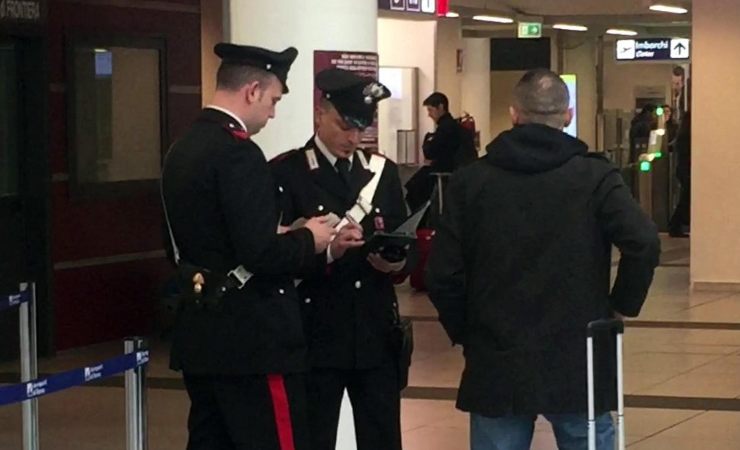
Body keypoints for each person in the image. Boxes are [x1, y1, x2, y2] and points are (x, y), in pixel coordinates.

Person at [425, 69, 661, 450]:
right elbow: (644, 242)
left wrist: (467, 330)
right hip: (577, 350)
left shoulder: (472, 181)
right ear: (566, 115)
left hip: (495, 351)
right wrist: (618, 307)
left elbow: (442, 274)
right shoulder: (595, 177)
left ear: (514, 114)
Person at [161, 43, 337, 450]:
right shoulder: (239, 154)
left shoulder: (181, 150)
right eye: (274, 99)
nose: (273, 111)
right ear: (252, 91)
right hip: (254, 341)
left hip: (202, 333)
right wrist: (311, 237)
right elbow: (261, 253)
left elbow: (189, 238)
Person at [270, 68, 409, 450]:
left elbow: (402, 238)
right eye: (344, 125)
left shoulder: (382, 173)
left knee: (382, 438)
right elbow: (272, 256)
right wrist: (326, 250)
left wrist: (395, 263)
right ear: (320, 113)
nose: (353, 138)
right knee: (313, 437)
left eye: (360, 128)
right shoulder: (287, 173)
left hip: (374, 330)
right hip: (317, 332)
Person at [404, 92, 476, 213]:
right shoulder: (456, 127)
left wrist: (427, 141)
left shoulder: (446, 128)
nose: (429, 115)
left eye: (430, 110)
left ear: (441, 107)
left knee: (414, 191)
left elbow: (430, 151)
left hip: (443, 172)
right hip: (455, 172)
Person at [669, 111, 691, 238]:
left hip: (683, 169)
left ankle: (676, 225)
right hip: (687, 170)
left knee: (685, 198)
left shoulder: (683, 135)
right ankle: (675, 225)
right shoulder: (688, 136)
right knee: (686, 199)